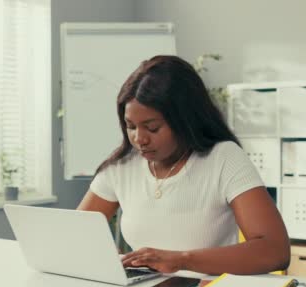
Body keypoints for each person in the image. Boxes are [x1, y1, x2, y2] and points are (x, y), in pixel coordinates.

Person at [77, 55, 290, 275]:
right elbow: (75, 233)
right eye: (131, 126)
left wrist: (181, 260)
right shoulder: (121, 166)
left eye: (152, 128)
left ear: (186, 120)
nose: (139, 139)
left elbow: (275, 251)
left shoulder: (223, 158)